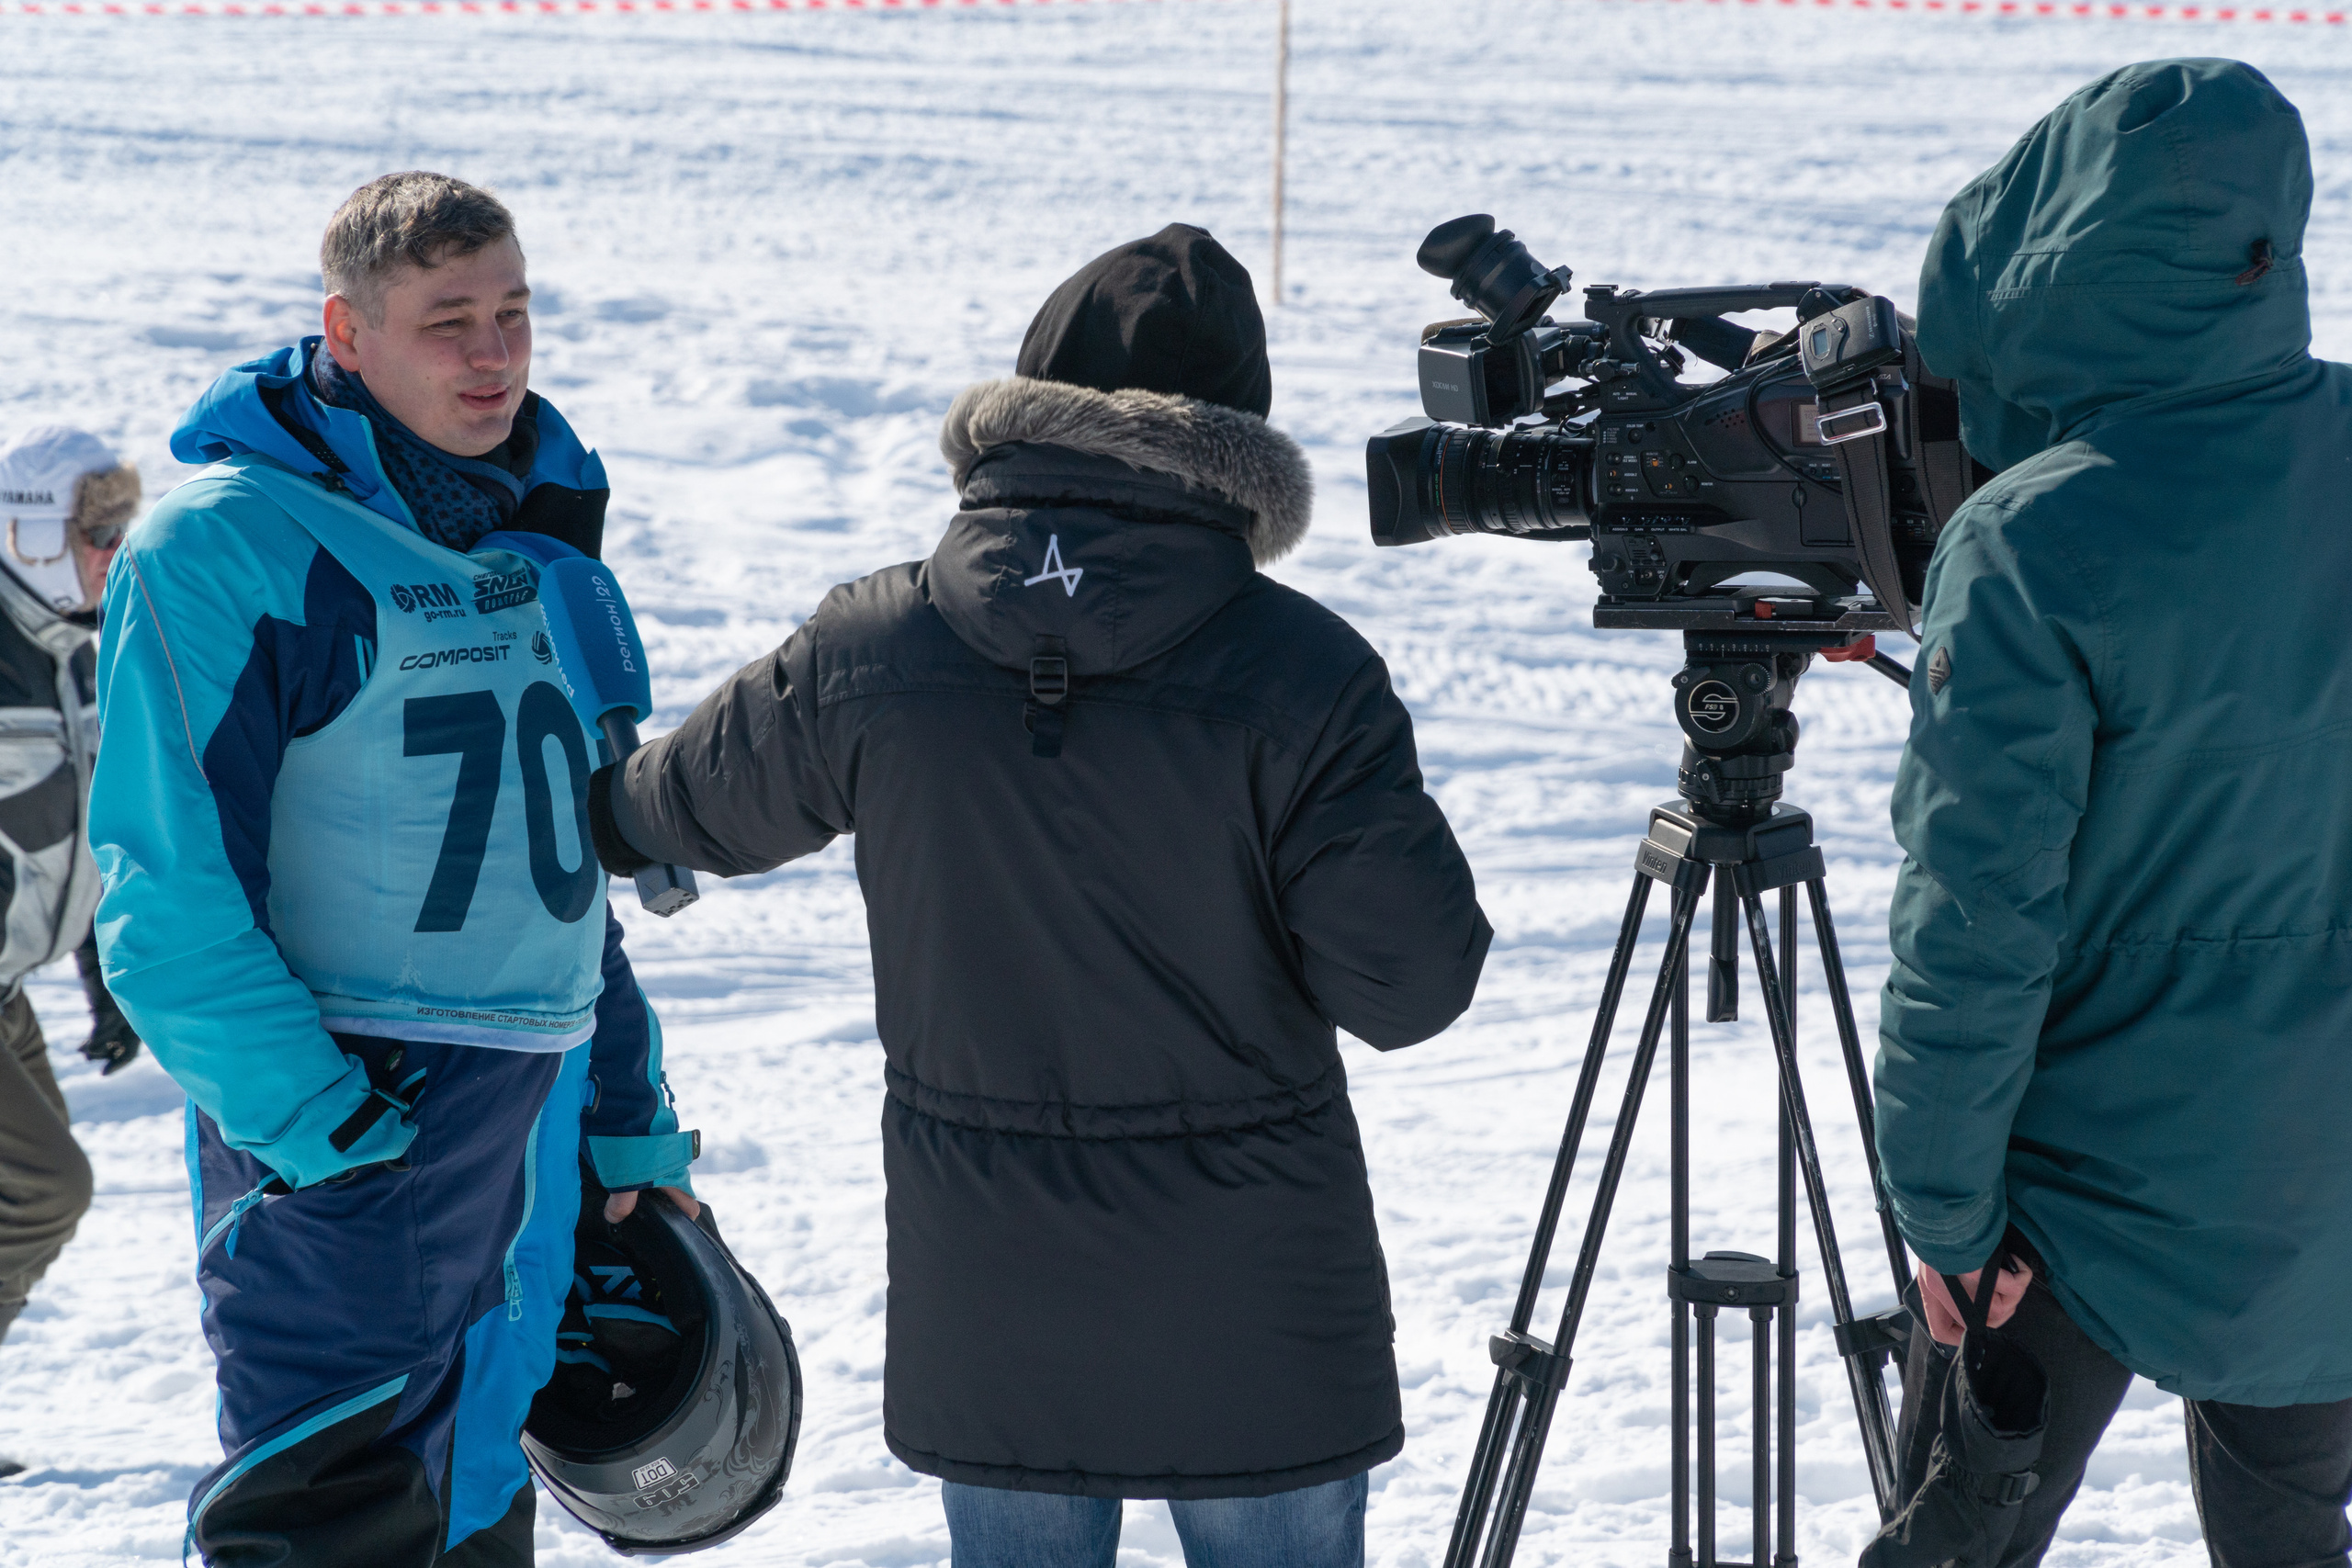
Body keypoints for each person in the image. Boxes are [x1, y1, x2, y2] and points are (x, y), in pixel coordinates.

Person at [585, 225, 1490, 1567]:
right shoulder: (1305, 673)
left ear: (1023, 409)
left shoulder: (871, 644)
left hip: (988, 1283)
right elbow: (1409, 986)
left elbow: (659, 813)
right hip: (1252, 1293)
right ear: (1238, 442)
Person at [90, 172, 698, 1565]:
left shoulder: (530, 535)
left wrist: (626, 1110)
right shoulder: (228, 544)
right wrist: (315, 1125)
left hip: (533, 1122)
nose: (494, 355)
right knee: (328, 1519)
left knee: (477, 1504)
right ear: (346, 333)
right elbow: (168, 886)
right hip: (360, 1110)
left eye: (513, 314)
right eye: (448, 322)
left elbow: (553, 862)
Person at [1873, 59, 2352, 1568]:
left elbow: (1975, 922)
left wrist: (1946, 1212)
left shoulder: (2034, 538)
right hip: (2327, 1180)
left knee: (1958, 1536)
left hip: (2072, 1213)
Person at [0, 425, 141, 1478]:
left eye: (121, 530)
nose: (113, 554)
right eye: (96, 533)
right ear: (30, 535)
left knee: (32, 1203)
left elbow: (94, 822)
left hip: (8, 987)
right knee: (45, 1189)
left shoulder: (75, 653)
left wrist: (105, 976)